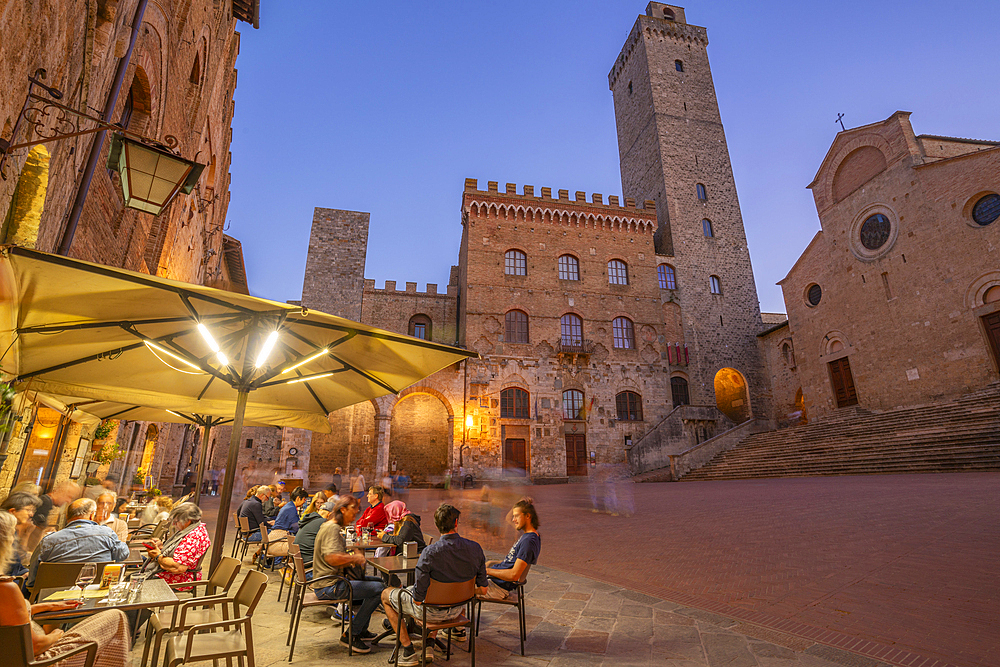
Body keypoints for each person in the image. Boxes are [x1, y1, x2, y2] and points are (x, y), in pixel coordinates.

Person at [0, 513, 131, 667]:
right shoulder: (6, 587)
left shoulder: (47, 541)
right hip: (40, 660)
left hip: (18, 654)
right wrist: (57, 635)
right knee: (115, 618)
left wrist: (48, 606)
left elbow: (11, 617)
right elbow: (35, 646)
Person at [381, 504, 488, 666]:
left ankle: (408, 650)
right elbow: (483, 590)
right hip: (458, 610)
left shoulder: (430, 552)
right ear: (456, 523)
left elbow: (417, 599)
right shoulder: (475, 548)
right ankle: (429, 645)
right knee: (439, 592)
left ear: (437, 526)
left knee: (386, 594)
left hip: (430, 613)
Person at [312, 496, 384, 654]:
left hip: (329, 582)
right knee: (378, 589)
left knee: (378, 582)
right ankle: (352, 635)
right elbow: (331, 558)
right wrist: (354, 558)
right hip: (329, 586)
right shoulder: (332, 528)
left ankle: (362, 628)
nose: (354, 518)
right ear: (342, 510)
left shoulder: (329, 525)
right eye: (352, 514)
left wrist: (350, 556)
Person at [27, 498, 129, 590]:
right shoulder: (107, 534)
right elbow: (123, 554)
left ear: (67, 516)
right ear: (92, 515)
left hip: (52, 602)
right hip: (96, 596)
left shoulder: (48, 541)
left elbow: (32, 580)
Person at [482, 497, 541, 600]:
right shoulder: (528, 536)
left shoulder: (529, 541)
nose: (513, 520)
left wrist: (487, 571)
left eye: (516, 516)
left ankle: (457, 614)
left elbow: (514, 575)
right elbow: (508, 518)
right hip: (494, 582)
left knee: (461, 589)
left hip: (497, 588)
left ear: (528, 516)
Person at [140, 503, 211, 589]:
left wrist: (157, 556)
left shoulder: (194, 537)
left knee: (134, 585)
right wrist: (162, 547)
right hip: (168, 574)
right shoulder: (190, 529)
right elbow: (178, 551)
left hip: (181, 579)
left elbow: (178, 567)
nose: (174, 524)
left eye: (176, 521)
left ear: (188, 520)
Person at [27, 481, 79, 551]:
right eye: (69, 497)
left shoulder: (47, 501)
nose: (69, 501)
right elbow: (33, 533)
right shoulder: (45, 502)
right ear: (61, 491)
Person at [1, 491, 42, 577]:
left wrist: (26, 573)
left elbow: (16, 564)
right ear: (12, 511)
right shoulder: (3, 532)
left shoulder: (13, 531)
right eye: (28, 510)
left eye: (32, 510)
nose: (31, 514)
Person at [267, 487, 309, 558]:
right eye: (304, 499)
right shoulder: (291, 509)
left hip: (273, 537)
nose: (304, 501)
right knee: (304, 544)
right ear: (298, 498)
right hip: (277, 540)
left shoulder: (289, 505)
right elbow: (295, 528)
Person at [239, 486, 272, 560]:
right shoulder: (256, 504)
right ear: (262, 495)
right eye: (267, 497)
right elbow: (261, 523)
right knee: (273, 536)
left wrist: (269, 521)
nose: (267, 500)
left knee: (270, 533)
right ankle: (263, 558)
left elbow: (238, 513)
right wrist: (272, 524)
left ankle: (258, 554)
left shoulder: (248, 501)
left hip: (245, 533)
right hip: (250, 535)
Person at [293, 495, 327, 564]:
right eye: (317, 503)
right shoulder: (311, 513)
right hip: (309, 562)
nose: (320, 505)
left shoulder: (316, 518)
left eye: (322, 503)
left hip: (301, 558)